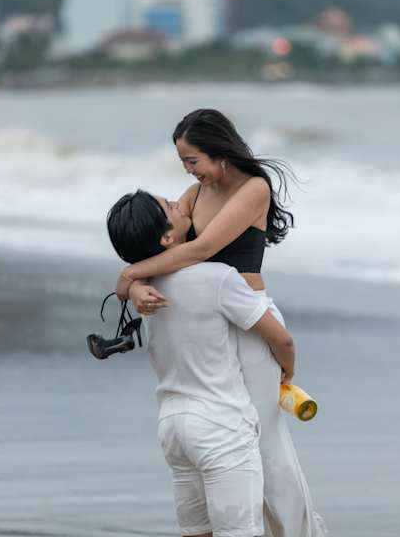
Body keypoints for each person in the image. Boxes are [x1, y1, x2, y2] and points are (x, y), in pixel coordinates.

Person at [115, 109, 326, 537]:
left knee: (265, 439)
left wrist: (130, 275)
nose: (188, 171)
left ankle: (296, 531)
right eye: (183, 162)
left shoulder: (253, 189)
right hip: (211, 321)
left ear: (220, 152)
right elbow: (163, 243)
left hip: (251, 323)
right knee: (232, 437)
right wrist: (134, 285)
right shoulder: (194, 195)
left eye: (192, 160)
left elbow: (199, 249)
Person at [106, 189, 296, 537]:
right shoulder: (217, 278)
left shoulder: (146, 290)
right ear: (167, 237)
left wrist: (131, 286)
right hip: (220, 424)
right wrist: (288, 368)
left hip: (173, 426)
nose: (181, 204)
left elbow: (129, 280)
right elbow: (280, 338)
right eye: (171, 207)